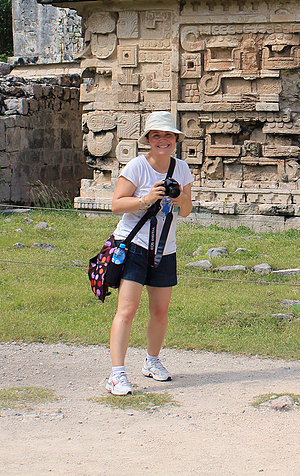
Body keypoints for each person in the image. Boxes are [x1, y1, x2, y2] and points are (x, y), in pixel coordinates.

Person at [105, 111, 194, 395]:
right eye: (156, 135)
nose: (162, 140)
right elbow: (116, 205)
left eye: (168, 135)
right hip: (134, 245)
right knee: (127, 310)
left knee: (160, 311)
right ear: (148, 140)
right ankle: (117, 374)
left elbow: (188, 209)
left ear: (175, 140)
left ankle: (151, 361)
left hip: (165, 248)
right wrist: (146, 199)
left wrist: (177, 197)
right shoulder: (136, 167)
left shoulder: (181, 169)